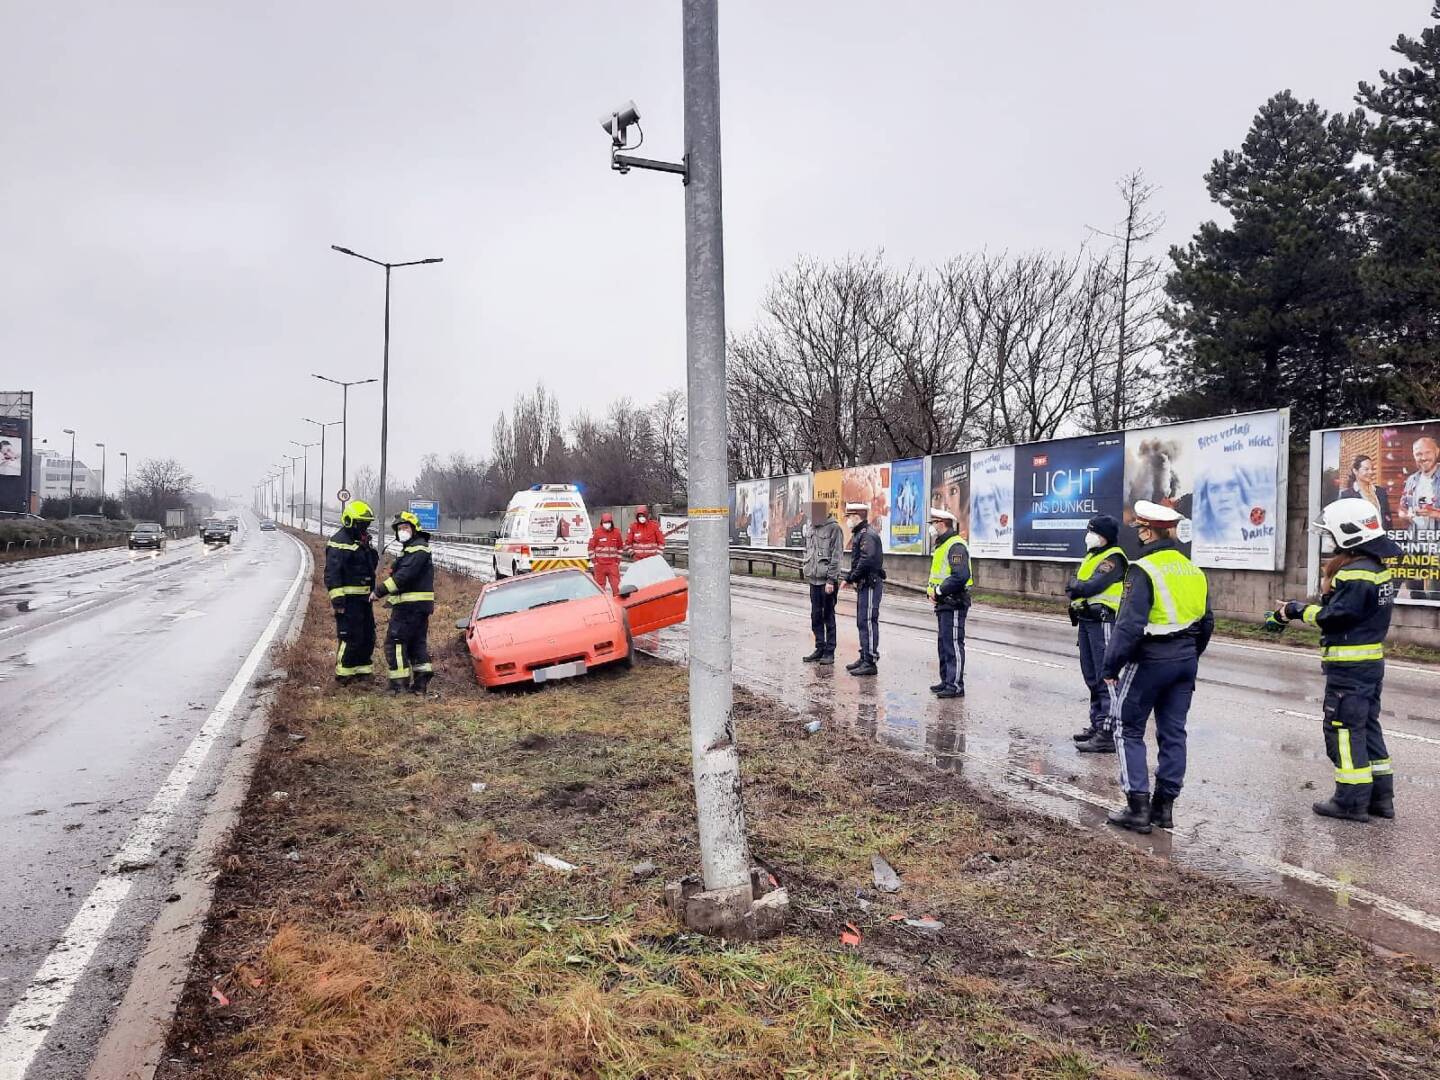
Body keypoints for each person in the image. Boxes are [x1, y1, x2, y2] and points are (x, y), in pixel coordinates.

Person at [1269, 498, 1401, 821]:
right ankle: (1381, 800)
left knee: (1342, 731)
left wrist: (1295, 610)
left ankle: (1350, 801)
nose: (1329, 542)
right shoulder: (1377, 570)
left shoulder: (1354, 574)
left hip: (1349, 670)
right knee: (1367, 727)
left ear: (1349, 533)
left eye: (1332, 535)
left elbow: (1335, 617)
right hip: (1369, 665)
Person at [1101, 501, 1214, 833]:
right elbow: (1207, 622)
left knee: (1127, 728)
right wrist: (1191, 653)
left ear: (1149, 531)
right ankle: (1164, 809)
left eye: (1139, 530)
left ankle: (1137, 808)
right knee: (1173, 732)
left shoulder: (1143, 569)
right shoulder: (1194, 570)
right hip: (1185, 660)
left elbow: (1128, 626)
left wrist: (1111, 666)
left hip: (1150, 660)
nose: (1138, 535)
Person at [1068, 515, 1129, 753]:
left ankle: (1109, 731)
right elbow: (1075, 586)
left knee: (1106, 676)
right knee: (1092, 676)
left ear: (1104, 536)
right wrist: (1075, 587)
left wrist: (1075, 586)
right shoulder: (1092, 556)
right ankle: (1097, 723)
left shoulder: (1114, 558)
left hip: (1103, 621)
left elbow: (1089, 586)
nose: (1088, 535)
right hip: (1086, 620)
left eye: (1092, 531)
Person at [374, 511, 435, 695]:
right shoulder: (413, 549)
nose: (402, 531)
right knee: (417, 643)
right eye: (400, 529)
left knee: (396, 643)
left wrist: (379, 591)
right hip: (417, 607)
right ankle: (420, 684)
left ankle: (399, 685)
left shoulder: (417, 550)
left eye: (405, 528)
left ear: (415, 530)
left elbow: (403, 577)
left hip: (409, 608)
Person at [325, 500, 380, 685]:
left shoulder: (361, 541)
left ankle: (363, 671)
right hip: (348, 601)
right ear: (349, 521)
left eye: (366, 524)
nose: (364, 527)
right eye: (361, 523)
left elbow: (368, 568)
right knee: (350, 636)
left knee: (367, 635)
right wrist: (338, 601)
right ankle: (344, 675)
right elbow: (332, 573)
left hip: (365, 600)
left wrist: (369, 551)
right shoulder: (339, 542)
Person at [927, 508, 971, 699]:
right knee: (944, 644)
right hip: (943, 603)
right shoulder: (943, 545)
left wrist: (939, 591)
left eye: (933, 523)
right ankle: (946, 680)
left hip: (954, 602)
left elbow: (960, 576)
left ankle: (955, 685)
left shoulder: (956, 545)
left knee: (953, 644)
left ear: (942, 523)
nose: (932, 527)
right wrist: (932, 591)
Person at [841, 501, 884, 677]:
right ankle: (864, 655)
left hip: (870, 583)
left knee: (868, 622)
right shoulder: (861, 534)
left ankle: (870, 661)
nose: (847, 520)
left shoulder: (867, 535)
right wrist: (851, 577)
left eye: (849, 517)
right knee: (862, 622)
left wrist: (851, 577)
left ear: (857, 517)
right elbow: (859, 561)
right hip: (864, 584)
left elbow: (866, 561)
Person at [801, 500, 844, 664]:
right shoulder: (811, 527)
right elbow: (809, 550)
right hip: (814, 579)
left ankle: (829, 652)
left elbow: (837, 556)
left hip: (827, 581)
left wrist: (831, 580)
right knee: (815, 616)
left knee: (828, 616)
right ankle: (819, 647)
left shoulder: (834, 528)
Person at [1398, 436, 1439, 600]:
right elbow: (1401, 508)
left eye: (1427, 452)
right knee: (1415, 590)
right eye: (1418, 454)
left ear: (1437, 452)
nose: (1423, 458)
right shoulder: (1411, 480)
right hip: (1415, 544)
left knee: (1435, 592)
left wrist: (1434, 514)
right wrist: (1405, 515)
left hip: (1437, 545)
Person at [1340, 454, 1393, 531]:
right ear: (1355, 471)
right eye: (1366, 469)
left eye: (1372, 469)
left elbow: (1388, 520)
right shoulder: (1347, 495)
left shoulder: (1381, 492)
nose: (1371, 472)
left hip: (1382, 540)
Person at [589, 511, 624, 595]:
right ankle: (601, 605)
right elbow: (590, 548)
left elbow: (620, 548)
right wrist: (595, 562)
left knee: (617, 587)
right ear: (602, 522)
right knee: (599, 588)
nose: (607, 524)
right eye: (605, 522)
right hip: (600, 565)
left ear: (611, 522)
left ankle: (618, 605)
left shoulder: (616, 533)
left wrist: (617, 562)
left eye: (608, 522)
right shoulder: (596, 533)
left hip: (612, 565)